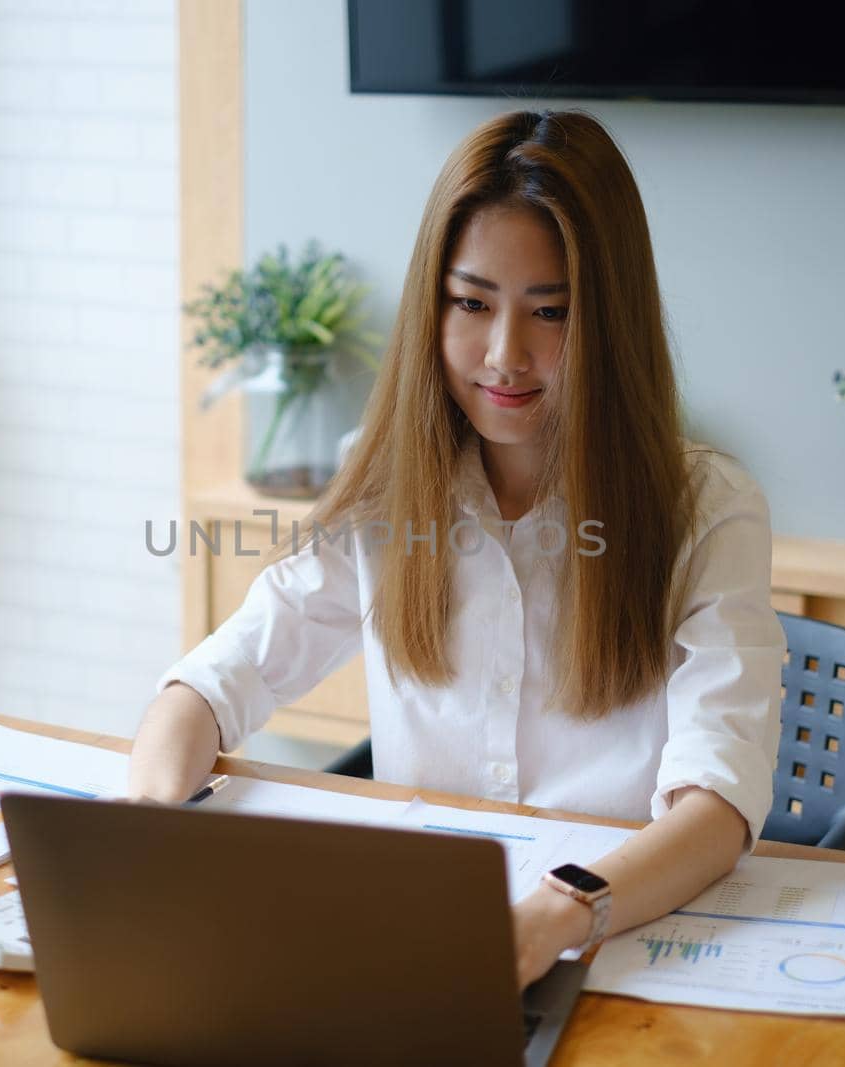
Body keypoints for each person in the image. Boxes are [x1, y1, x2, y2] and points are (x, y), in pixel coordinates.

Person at [128, 109, 783, 989]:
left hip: (613, 946)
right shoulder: (394, 480)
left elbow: (717, 807)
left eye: (550, 312)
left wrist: (555, 914)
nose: (505, 355)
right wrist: (141, 827)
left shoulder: (708, 511)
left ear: (610, 321)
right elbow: (216, 680)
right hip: (418, 948)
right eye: (472, 303)